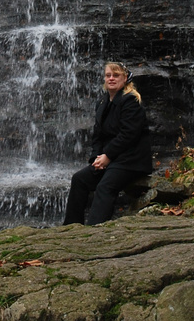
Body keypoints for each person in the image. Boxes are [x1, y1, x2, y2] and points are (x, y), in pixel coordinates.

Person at [63, 61, 152, 225]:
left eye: (116, 75)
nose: (111, 78)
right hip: (111, 159)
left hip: (131, 160)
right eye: (108, 75)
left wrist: (108, 156)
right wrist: (97, 159)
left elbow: (129, 135)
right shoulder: (103, 103)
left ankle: (94, 232)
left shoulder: (130, 101)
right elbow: (98, 136)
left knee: (105, 186)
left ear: (125, 78)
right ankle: (70, 227)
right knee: (79, 179)